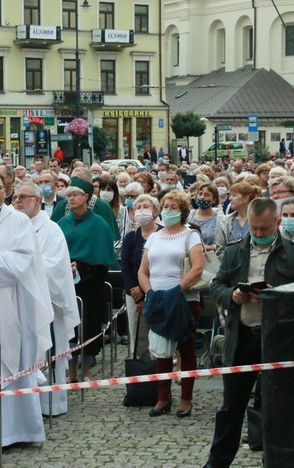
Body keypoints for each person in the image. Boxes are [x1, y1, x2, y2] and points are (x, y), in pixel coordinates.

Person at [203, 198, 294, 468]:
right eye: (254, 228)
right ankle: (217, 462)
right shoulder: (234, 251)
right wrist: (233, 295)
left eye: (264, 229)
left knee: (278, 408)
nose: (259, 234)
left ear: (277, 223)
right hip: (241, 338)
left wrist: (275, 297)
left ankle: (278, 460)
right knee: (231, 407)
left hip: (278, 339)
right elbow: (215, 286)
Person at [0, 169, 54, 447]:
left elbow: (26, 262)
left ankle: (17, 432)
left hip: (9, 305)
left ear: (7, 191)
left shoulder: (18, 222)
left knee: (11, 365)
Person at [14, 182, 79, 416]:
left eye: (23, 197)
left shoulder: (50, 229)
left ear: (36, 200)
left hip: (45, 303)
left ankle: (51, 405)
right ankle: (23, 407)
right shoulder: (14, 228)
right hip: (17, 303)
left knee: (46, 351)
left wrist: (19, 265)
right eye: (15, 198)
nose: (18, 202)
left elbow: (56, 267)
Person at [138, 190, 203, 418]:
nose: (168, 210)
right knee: (161, 351)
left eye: (173, 207)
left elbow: (197, 266)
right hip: (158, 299)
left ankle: (186, 399)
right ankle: (163, 397)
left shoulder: (190, 235)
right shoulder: (154, 236)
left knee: (186, 350)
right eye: (166, 206)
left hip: (183, 300)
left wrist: (178, 291)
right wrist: (151, 293)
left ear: (182, 211)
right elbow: (143, 271)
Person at [58, 177, 117, 383]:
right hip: (65, 284)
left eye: (75, 195)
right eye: (68, 195)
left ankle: (86, 370)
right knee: (69, 329)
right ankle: (71, 370)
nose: (71, 199)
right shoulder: (62, 223)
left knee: (88, 326)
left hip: (90, 286)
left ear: (86, 197)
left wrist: (81, 266)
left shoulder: (98, 223)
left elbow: (103, 259)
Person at [121, 193, 161, 357]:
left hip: (158, 292)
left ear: (155, 211)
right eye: (138, 207)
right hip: (134, 295)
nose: (141, 210)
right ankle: (141, 370)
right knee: (138, 335)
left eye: (146, 207)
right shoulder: (131, 237)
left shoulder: (163, 234)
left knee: (159, 334)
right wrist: (135, 291)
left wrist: (147, 291)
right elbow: (125, 267)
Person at [215, 182, 262, 259]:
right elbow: (220, 250)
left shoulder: (260, 220)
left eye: (234, 195)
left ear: (246, 198)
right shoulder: (225, 221)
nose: (230, 198)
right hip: (230, 267)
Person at [189, 182, 223, 249]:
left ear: (214, 200)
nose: (202, 197)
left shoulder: (220, 219)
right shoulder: (189, 215)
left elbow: (222, 244)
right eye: (200, 194)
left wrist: (210, 247)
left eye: (207, 195)